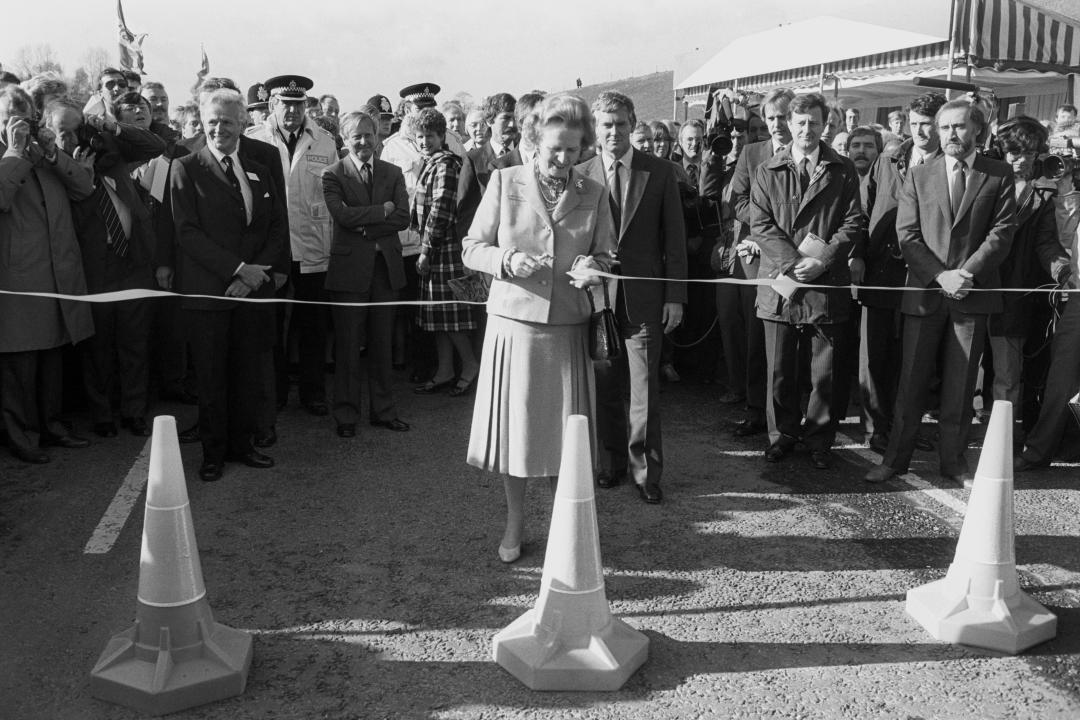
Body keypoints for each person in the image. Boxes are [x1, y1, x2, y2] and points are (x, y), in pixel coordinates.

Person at [462, 92, 616, 562]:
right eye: (555, 149)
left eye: (573, 150)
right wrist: (506, 259)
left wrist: (595, 266)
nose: (563, 158)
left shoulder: (594, 192)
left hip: (568, 328)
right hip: (515, 328)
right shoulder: (504, 181)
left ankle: (561, 527)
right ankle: (513, 523)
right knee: (517, 434)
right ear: (534, 139)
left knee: (563, 436)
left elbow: (609, 256)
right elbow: (471, 248)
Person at [865, 99, 1016, 486]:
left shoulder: (998, 175)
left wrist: (964, 274)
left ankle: (954, 463)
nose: (950, 134)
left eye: (959, 127)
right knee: (910, 383)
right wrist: (940, 276)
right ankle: (895, 460)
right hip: (925, 294)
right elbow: (907, 236)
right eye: (944, 127)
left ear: (977, 130)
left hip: (973, 294)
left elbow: (1001, 234)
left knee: (961, 386)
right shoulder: (918, 175)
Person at [169, 88, 290, 482]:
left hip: (252, 292)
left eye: (226, 121)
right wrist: (238, 269)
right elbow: (187, 233)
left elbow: (274, 226)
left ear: (242, 123)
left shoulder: (259, 167)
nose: (218, 128)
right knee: (211, 378)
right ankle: (213, 454)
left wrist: (257, 272)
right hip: (210, 294)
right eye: (211, 122)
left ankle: (243, 445)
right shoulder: (186, 167)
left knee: (247, 373)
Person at [579, 91, 687, 504]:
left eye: (621, 124)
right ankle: (612, 464)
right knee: (605, 385)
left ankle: (646, 473)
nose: (613, 132)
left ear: (632, 124)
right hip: (597, 300)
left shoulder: (659, 172)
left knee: (644, 390)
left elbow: (674, 240)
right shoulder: (581, 172)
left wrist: (675, 296)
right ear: (595, 128)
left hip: (645, 298)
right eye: (605, 125)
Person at [751, 91, 865, 470]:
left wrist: (822, 260)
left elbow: (853, 222)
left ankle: (819, 439)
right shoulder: (767, 170)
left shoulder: (843, 169)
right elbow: (760, 224)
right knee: (779, 371)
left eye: (814, 123)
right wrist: (791, 263)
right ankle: (781, 435)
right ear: (788, 124)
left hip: (824, 282)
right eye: (799, 123)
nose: (806, 130)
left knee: (825, 372)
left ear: (825, 125)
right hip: (781, 283)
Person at [0, 85, 95, 464]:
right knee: (19, 366)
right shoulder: (10, 155)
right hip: (18, 279)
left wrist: (52, 153)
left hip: (58, 275)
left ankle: (53, 426)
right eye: (11, 114)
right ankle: (21, 436)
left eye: (25, 113)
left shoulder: (43, 154)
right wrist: (13, 151)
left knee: (52, 360)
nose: (20, 121)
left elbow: (84, 187)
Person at [71, 92, 166, 438]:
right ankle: (101, 413)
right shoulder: (74, 172)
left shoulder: (121, 161)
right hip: (97, 268)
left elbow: (154, 144)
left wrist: (114, 127)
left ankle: (133, 409)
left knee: (134, 342)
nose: (101, 149)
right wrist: (82, 175)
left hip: (134, 263)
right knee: (98, 346)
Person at [857, 92, 946, 454]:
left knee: (914, 356)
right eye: (915, 124)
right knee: (875, 354)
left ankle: (905, 425)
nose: (921, 131)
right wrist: (858, 255)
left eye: (928, 124)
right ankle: (876, 427)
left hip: (923, 274)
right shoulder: (888, 158)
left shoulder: (948, 165)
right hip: (880, 270)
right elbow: (862, 211)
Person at [247, 74, 337, 418]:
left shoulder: (325, 142)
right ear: (272, 105)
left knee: (313, 325)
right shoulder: (253, 140)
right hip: (270, 250)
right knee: (271, 326)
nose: (293, 111)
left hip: (313, 249)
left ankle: (313, 393)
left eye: (299, 105)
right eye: (286, 104)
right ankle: (276, 391)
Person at [322, 111, 412, 438]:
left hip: (384, 270)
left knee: (382, 343)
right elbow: (342, 216)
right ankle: (346, 415)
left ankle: (384, 411)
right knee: (347, 346)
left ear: (377, 137)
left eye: (368, 135)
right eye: (356, 136)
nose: (363, 141)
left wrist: (366, 225)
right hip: (349, 273)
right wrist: (380, 212)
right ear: (345, 139)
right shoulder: (332, 174)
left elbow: (402, 217)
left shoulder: (392, 172)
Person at [984, 116, 1069, 443]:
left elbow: (1047, 243)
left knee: (1007, 377)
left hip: (1013, 296)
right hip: (973, 288)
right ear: (1002, 150)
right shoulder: (984, 180)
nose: (1021, 160)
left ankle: (1000, 443)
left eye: (1030, 153)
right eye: (1014, 152)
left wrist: (1063, 269)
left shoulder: (1045, 193)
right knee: (961, 371)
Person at [724, 87, 795, 439]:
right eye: (771, 118)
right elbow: (734, 198)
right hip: (758, 254)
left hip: (802, 253)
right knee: (758, 335)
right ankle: (756, 410)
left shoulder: (808, 154)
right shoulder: (752, 153)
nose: (777, 124)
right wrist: (766, 224)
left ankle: (793, 413)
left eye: (783, 116)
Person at [409, 108, 481, 397]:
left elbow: (440, 210)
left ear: (442, 136)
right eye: (420, 136)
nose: (425, 141)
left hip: (445, 247)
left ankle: (470, 365)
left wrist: (426, 250)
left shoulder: (446, 164)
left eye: (430, 136)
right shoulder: (430, 163)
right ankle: (445, 370)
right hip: (434, 246)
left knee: (451, 317)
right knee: (438, 317)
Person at [456, 93, 517, 239]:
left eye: (514, 118)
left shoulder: (527, 154)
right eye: (506, 118)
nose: (512, 124)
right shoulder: (473, 160)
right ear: (490, 121)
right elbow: (465, 214)